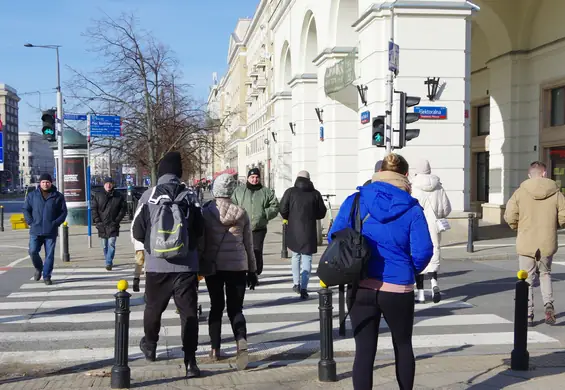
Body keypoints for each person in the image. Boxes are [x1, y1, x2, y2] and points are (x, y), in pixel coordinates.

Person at [329, 153, 433, 390]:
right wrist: (408, 269)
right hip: (398, 287)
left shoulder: (356, 200)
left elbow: (334, 237)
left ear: (378, 173)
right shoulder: (411, 207)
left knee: (364, 352)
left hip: (361, 283)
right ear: (405, 176)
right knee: (403, 345)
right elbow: (424, 250)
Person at [131, 151, 204, 378]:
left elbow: (136, 230)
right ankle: (190, 361)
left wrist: (150, 249)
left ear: (161, 171)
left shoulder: (149, 196)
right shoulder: (190, 196)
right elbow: (200, 230)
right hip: (186, 267)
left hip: (157, 266)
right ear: (179, 172)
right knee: (188, 313)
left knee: (153, 308)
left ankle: (150, 346)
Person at [199, 173, 257, 370]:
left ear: (215, 190)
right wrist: (252, 270)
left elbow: (201, 240)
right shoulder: (241, 212)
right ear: (232, 191)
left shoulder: (206, 212)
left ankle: (215, 349)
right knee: (236, 308)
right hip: (237, 266)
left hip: (214, 266)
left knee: (216, 307)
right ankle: (241, 342)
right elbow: (249, 244)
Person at [504, 161, 565, 326]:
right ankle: (548, 304)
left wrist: (517, 227)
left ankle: (528, 314)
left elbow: (510, 215)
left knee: (527, 278)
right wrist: (555, 225)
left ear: (530, 175)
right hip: (547, 240)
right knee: (545, 274)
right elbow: (564, 216)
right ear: (544, 173)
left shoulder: (519, 193)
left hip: (526, 240)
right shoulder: (556, 193)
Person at [279, 171, 327, 299]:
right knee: (307, 258)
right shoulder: (315, 193)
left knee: (295, 256)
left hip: (294, 230)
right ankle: (304, 287)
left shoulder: (290, 192)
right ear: (309, 180)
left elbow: (283, 209)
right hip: (309, 231)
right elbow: (322, 212)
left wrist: (289, 216)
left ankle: (296, 283)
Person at [410, 159, 452, 304]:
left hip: (418, 224)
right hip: (434, 224)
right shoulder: (438, 186)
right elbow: (446, 208)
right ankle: (434, 284)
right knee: (434, 252)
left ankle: (420, 295)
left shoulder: (413, 186)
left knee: (419, 255)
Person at [231, 167, 279, 277]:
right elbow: (232, 205)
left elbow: (275, 207)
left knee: (256, 251)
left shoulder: (266, 192)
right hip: (242, 227)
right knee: (243, 251)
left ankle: (256, 273)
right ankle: (244, 272)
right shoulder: (239, 191)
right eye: (252, 177)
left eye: (257, 177)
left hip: (259, 228)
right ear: (248, 178)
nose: (254, 180)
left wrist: (264, 214)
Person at [22, 173, 68, 285]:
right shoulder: (32, 195)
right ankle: (39, 268)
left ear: (51, 182)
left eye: (47, 182)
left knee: (49, 255)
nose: (45, 184)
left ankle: (47, 276)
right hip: (35, 229)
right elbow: (26, 209)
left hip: (50, 230)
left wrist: (55, 223)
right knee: (32, 251)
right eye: (43, 182)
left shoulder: (58, 196)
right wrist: (30, 222)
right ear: (40, 183)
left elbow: (63, 212)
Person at [91, 177, 127, 271]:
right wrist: (97, 221)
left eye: (110, 183)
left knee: (111, 244)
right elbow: (94, 209)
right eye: (107, 183)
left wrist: (117, 220)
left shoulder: (118, 196)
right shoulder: (98, 195)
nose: (108, 185)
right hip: (102, 224)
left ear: (113, 185)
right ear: (104, 185)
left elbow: (123, 210)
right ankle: (108, 258)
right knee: (104, 245)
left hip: (113, 224)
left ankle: (108, 262)